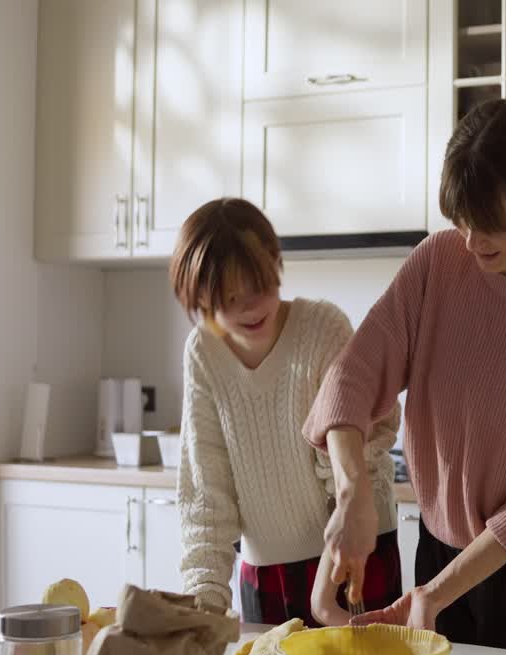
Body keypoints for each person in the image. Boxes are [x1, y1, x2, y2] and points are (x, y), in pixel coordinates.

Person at [304, 99, 506, 655]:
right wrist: (350, 493)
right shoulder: (437, 264)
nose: (474, 243)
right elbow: (353, 376)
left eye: (495, 226)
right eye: (462, 221)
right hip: (437, 559)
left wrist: (435, 592)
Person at [170, 197, 401, 626]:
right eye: (229, 297)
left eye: (259, 287)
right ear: (200, 295)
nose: (250, 307)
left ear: (276, 264)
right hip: (266, 571)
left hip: (356, 555)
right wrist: (204, 602)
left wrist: (326, 591)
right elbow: (206, 494)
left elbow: (349, 462)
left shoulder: (321, 328)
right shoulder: (203, 354)